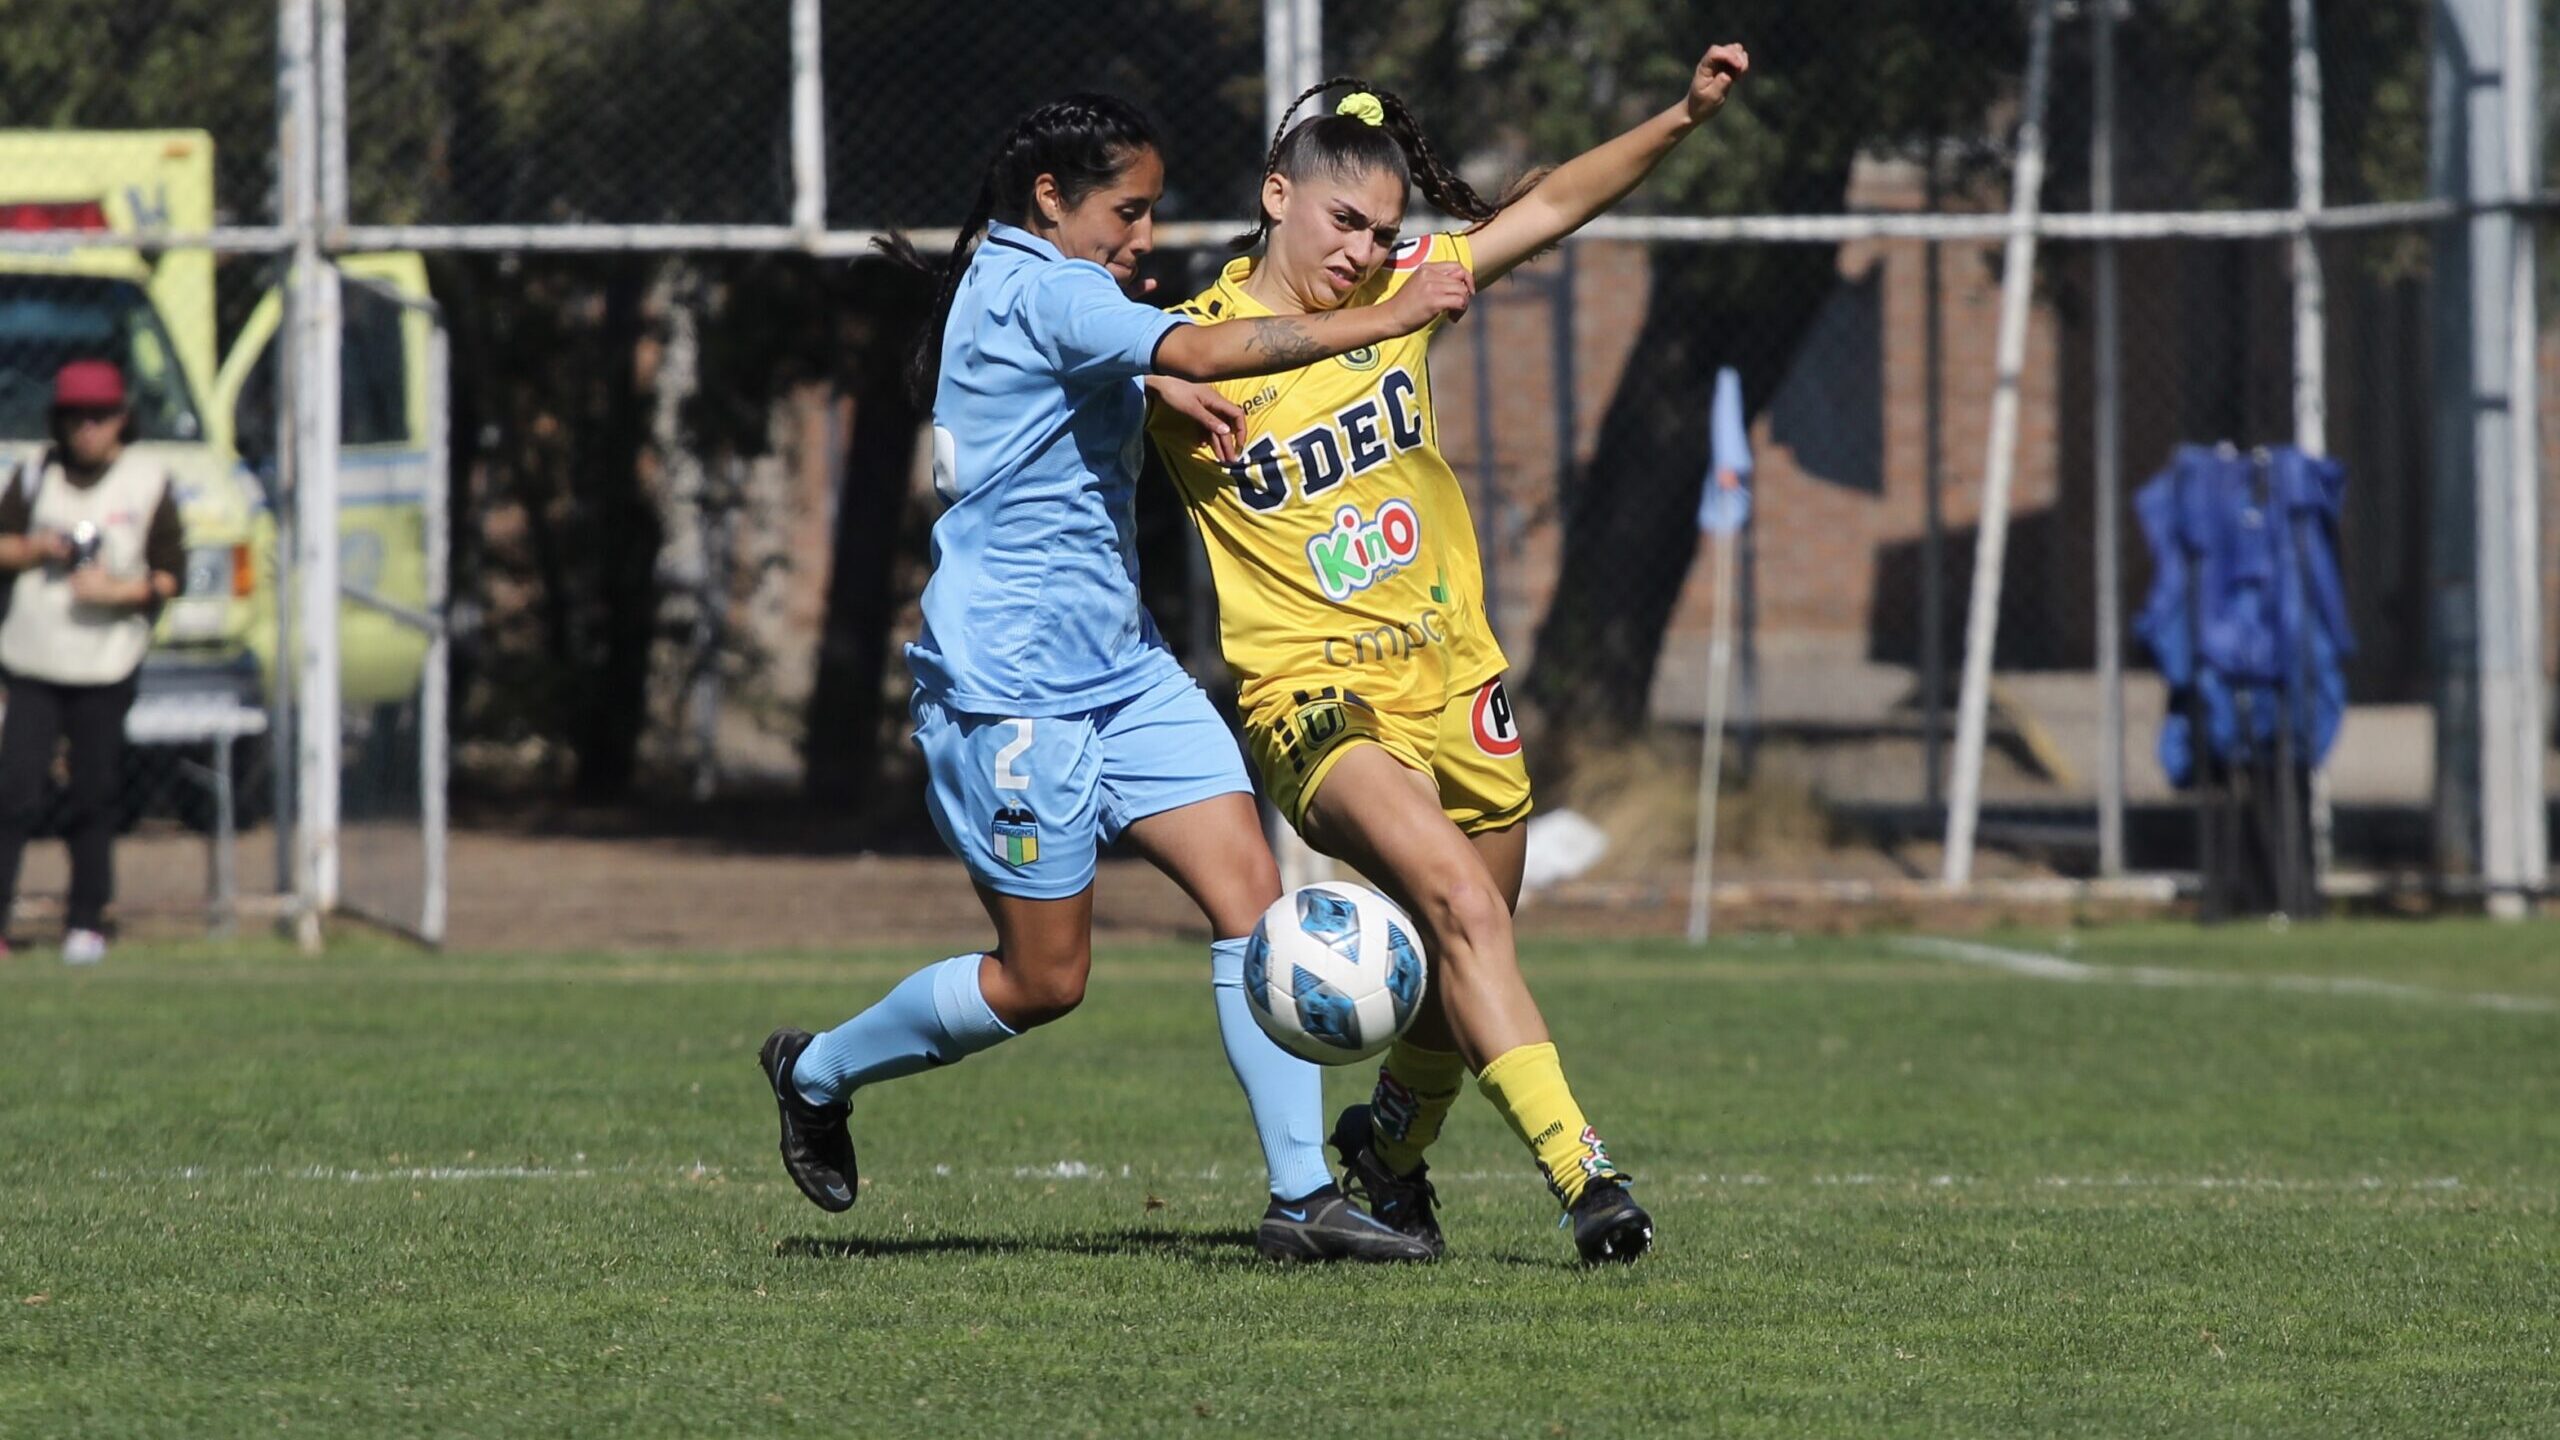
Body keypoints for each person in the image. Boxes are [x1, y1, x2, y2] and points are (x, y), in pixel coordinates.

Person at [757, 94, 1473, 1262]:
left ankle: (1301, 1201)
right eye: (1127, 211)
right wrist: (1384, 316)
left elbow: (1084, 369)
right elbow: (1198, 340)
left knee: (1253, 898)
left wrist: (1151, 387)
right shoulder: (1052, 284)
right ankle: (818, 1072)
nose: (1144, 236)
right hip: (1009, 696)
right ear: (1053, 200)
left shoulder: (1022, 277)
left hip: (1125, 674)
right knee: (1045, 982)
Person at [1144, 44, 1751, 1263]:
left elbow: (1559, 201)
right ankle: (1589, 1181)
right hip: (1311, 696)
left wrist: (1679, 117)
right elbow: (1179, 371)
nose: (1362, 251)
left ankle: (1391, 1154)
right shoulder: (1190, 342)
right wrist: (1387, 313)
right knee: (1459, 903)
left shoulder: (1400, 290)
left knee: (1474, 941)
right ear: (1277, 195)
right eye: (1341, 221)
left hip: (1454, 673)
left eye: (1383, 231)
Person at [0, 360, 184, 964]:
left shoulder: (148, 482)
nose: (87, 428)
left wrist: (119, 592)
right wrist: (36, 549)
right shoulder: (34, 475)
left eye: (100, 415)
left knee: (94, 793)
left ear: (121, 420)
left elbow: (170, 575)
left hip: (106, 662)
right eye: (76, 415)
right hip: (32, 656)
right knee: (14, 791)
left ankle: (85, 923)